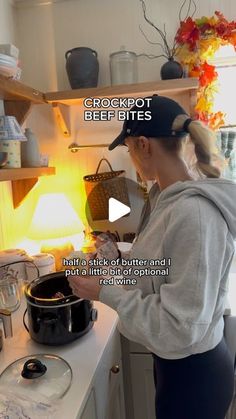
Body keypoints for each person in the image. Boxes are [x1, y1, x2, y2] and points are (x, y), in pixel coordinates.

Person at [68, 95, 236, 419]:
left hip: (195, 377)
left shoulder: (195, 214)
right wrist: (111, 272)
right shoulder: (162, 197)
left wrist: (104, 292)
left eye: (129, 148)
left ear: (144, 145)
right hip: (174, 366)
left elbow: (179, 327)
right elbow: (157, 269)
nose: (131, 159)